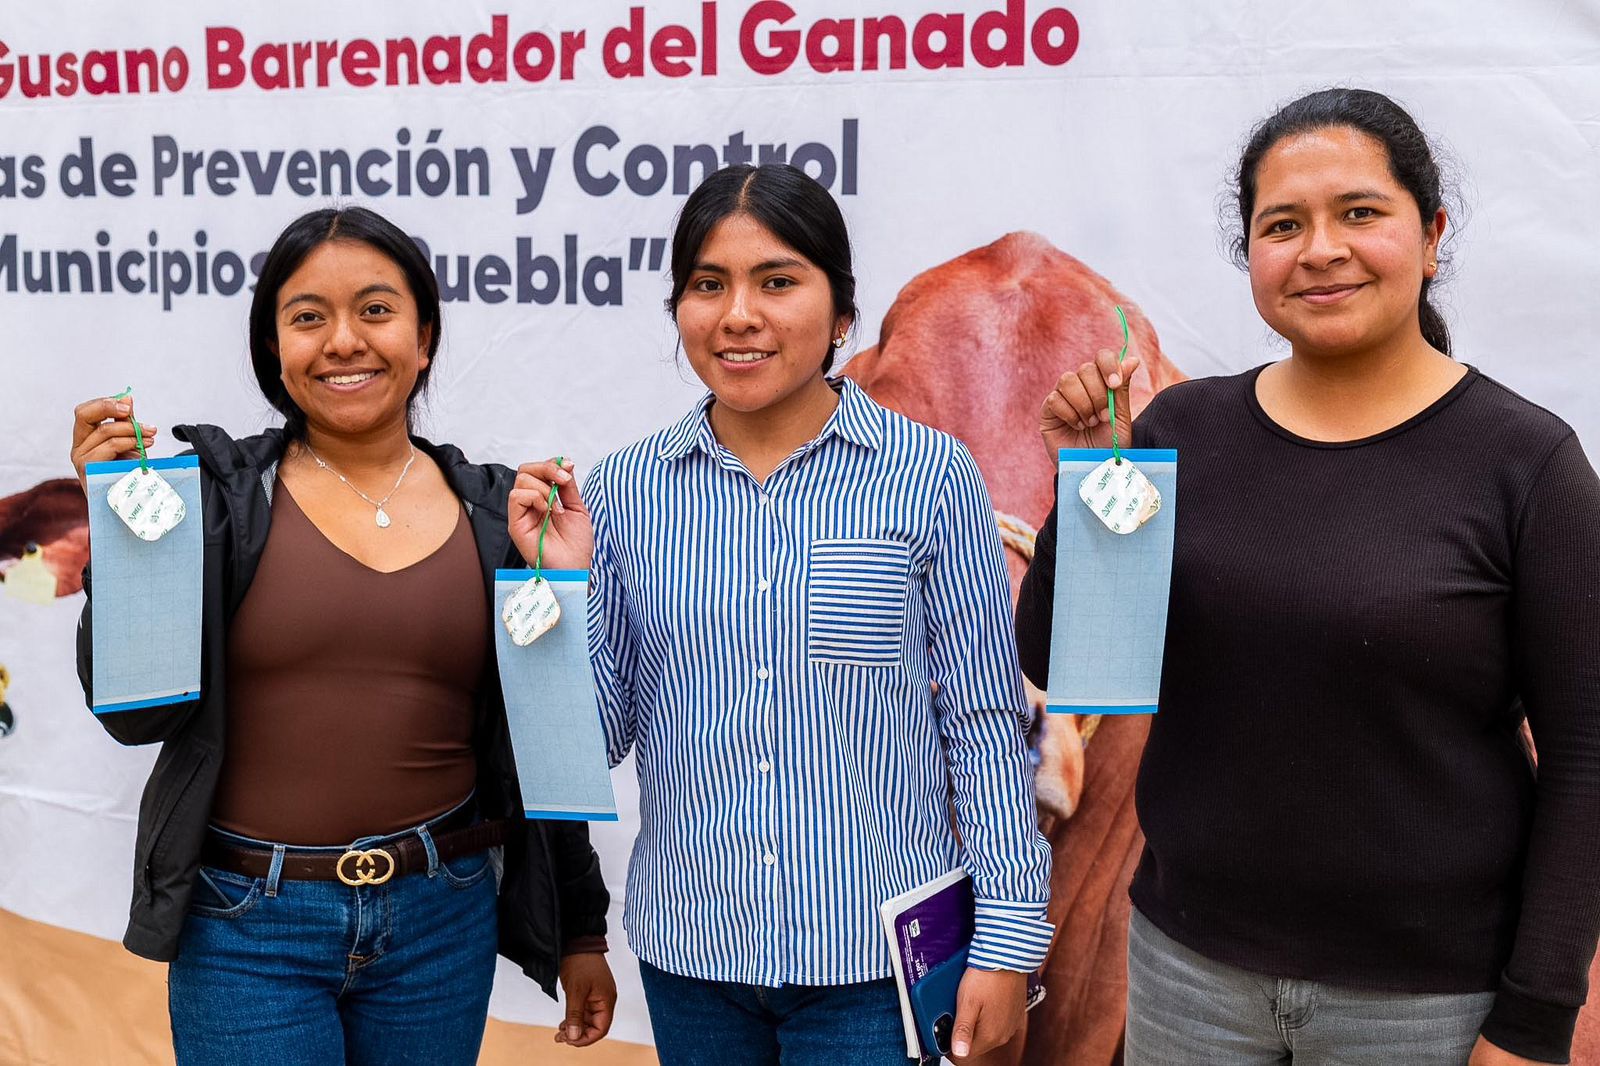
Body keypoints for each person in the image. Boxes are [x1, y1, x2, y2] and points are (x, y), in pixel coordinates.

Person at [1016, 87, 1600, 1065]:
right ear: (1252, 255)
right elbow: (1078, 659)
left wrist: (1533, 1019)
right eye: (1282, 225)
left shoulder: (1525, 465)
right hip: (1187, 977)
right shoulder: (1179, 434)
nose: (1319, 249)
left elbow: (1586, 759)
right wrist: (1088, 479)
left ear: (1432, 231)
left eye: (1358, 214)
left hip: (1424, 1004)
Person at [508, 163, 1053, 1065]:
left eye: (778, 282)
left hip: (873, 967)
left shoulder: (926, 476)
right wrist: (559, 589)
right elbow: (585, 746)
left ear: (841, 314)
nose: (738, 315)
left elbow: (985, 724)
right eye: (708, 285)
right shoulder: (624, 491)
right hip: (694, 959)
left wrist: (1005, 941)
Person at [69, 206, 616, 1066]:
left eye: (375, 309)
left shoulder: (499, 513)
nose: (343, 341)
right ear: (274, 349)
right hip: (247, 927)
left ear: (424, 336)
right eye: (307, 317)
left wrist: (583, 929)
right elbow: (135, 717)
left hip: (443, 920)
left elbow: (542, 738)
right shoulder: (213, 501)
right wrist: (122, 542)